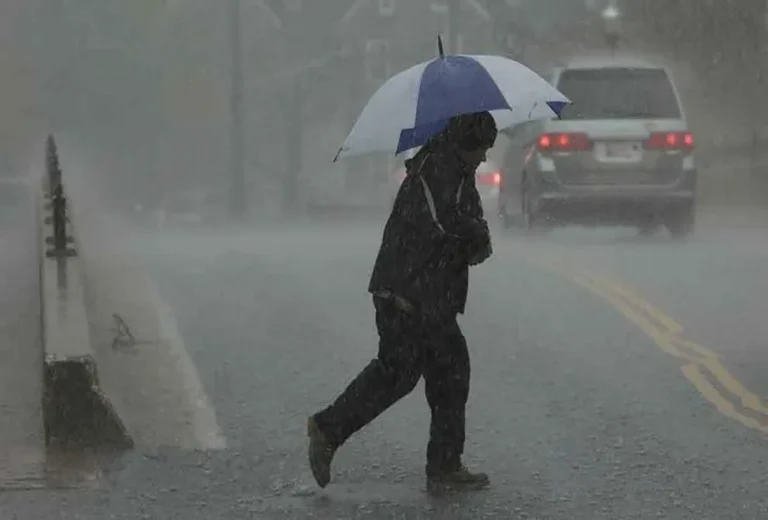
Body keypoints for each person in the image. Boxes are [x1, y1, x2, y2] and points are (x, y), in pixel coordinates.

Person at [307, 111, 498, 491]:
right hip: (408, 291)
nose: (485, 157)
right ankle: (329, 429)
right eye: (482, 148)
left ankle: (442, 466)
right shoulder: (438, 168)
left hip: (427, 293)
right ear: (466, 142)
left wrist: (478, 240)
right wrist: (475, 238)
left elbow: (467, 220)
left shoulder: (456, 169)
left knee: (438, 372)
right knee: (408, 372)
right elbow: (445, 222)